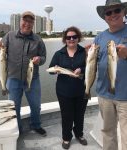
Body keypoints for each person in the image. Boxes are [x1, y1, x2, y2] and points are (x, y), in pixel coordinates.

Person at [0, 11, 47, 136]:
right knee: (14, 107)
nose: (27, 24)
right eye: (25, 21)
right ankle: (17, 128)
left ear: (33, 23)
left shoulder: (38, 40)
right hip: (12, 79)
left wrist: (39, 60)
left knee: (35, 105)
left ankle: (35, 125)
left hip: (32, 78)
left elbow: (44, 57)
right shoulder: (9, 36)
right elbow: (0, 56)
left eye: (30, 21)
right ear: (20, 21)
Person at [94, 0, 127, 149]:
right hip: (104, 95)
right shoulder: (99, 37)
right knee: (108, 132)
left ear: (124, 12)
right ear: (105, 17)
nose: (113, 15)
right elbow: (93, 65)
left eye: (117, 10)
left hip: (125, 97)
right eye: (109, 12)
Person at [48, 26, 88, 149]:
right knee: (67, 115)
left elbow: (92, 68)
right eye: (68, 37)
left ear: (78, 38)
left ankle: (79, 134)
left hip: (82, 90)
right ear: (65, 39)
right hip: (63, 91)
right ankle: (66, 137)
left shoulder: (84, 52)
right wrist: (55, 70)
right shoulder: (58, 54)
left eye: (74, 37)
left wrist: (82, 69)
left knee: (80, 115)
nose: (71, 39)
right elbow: (50, 70)